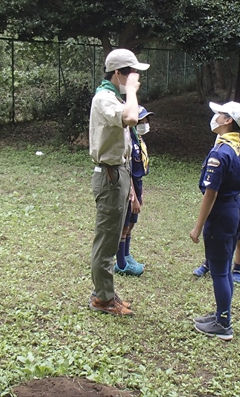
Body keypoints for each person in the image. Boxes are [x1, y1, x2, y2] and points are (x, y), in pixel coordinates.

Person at [190, 101, 240, 341]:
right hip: (235, 210)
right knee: (225, 268)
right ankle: (221, 314)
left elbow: (211, 194)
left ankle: (223, 325)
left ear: (228, 120)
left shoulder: (222, 152)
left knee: (220, 271)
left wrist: (198, 227)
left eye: (219, 114)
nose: (216, 117)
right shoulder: (239, 147)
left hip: (222, 213)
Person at [88, 49, 149, 317]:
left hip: (119, 173)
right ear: (118, 74)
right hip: (110, 175)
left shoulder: (112, 97)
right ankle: (102, 299)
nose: (136, 78)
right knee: (107, 239)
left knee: (112, 237)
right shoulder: (104, 98)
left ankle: (105, 292)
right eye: (132, 73)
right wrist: (132, 92)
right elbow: (131, 118)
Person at [115, 105, 154, 276]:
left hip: (136, 185)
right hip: (128, 186)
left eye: (146, 120)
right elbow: (127, 169)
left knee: (131, 224)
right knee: (124, 225)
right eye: (142, 120)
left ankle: (126, 254)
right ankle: (121, 264)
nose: (145, 123)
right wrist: (133, 196)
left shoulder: (138, 139)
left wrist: (140, 192)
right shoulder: (127, 140)